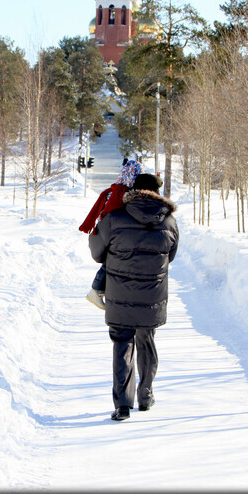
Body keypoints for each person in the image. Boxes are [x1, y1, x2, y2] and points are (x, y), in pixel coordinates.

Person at [88, 173, 178, 421]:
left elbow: (97, 253)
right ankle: (146, 397)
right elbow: (170, 256)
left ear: (132, 190)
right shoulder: (169, 222)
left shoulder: (114, 218)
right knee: (146, 341)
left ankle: (122, 405)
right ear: (157, 193)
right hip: (153, 295)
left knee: (122, 345)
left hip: (120, 295)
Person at [78, 160, 142, 309]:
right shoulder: (124, 195)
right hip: (115, 235)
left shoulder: (110, 191)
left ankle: (98, 291)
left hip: (105, 233)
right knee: (113, 261)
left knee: (111, 262)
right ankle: (96, 290)